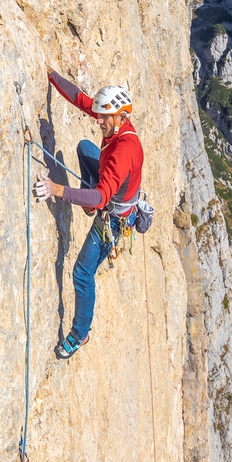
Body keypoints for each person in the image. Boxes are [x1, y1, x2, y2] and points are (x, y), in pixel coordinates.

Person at [33, 70, 144, 359]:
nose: (98, 121)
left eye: (104, 118)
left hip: (116, 218)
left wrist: (59, 190)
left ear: (120, 117)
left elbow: (100, 196)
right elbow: (81, 99)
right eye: (100, 116)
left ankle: (79, 334)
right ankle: (88, 203)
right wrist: (51, 75)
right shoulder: (117, 123)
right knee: (85, 147)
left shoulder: (123, 152)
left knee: (82, 273)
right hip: (111, 190)